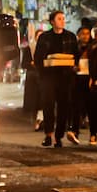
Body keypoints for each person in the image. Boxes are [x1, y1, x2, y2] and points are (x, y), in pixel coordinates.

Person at [32, 11, 80, 146]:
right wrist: (44, 67)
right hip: (48, 76)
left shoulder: (70, 37)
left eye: (63, 18)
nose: (62, 21)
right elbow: (38, 58)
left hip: (65, 76)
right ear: (52, 21)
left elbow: (76, 55)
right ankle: (48, 134)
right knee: (48, 105)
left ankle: (59, 136)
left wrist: (74, 66)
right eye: (59, 19)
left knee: (64, 106)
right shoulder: (45, 37)